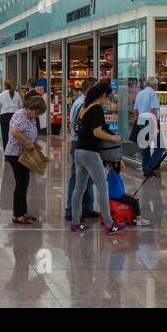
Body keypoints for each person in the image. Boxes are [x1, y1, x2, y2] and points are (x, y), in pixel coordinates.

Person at [70, 81, 122, 235]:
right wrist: (113, 138)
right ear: (104, 95)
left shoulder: (83, 107)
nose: (108, 100)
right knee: (102, 188)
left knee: (79, 188)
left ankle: (75, 222)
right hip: (90, 153)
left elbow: (77, 127)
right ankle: (109, 224)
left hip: (79, 150)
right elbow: (96, 132)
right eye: (108, 97)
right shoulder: (97, 108)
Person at [4, 94, 47, 224]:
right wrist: (27, 143)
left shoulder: (30, 116)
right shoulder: (20, 115)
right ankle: (17, 214)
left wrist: (34, 143)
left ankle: (24, 211)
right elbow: (15, 132)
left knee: (25, 183)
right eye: (37, 112)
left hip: (23, 153)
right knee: (21, 184)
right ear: (31, 108)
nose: (37, 116)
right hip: (16, 154)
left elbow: (30, 131)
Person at [65, 79, 97, 222]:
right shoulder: (82, 105)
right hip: (80, 143)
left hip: (84, 143)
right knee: (77, 178)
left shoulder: (86, 103)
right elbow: (80, 128)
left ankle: (87, 208)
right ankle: (71, 210)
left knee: (87, 178)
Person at [132, 75, 165, 174]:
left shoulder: (140, 93)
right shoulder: (152, 94)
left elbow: (135, 110)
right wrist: (156, 127)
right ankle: (150, 168)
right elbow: (153, 110)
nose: (157, 87)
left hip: (141, 121)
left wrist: (137, 121)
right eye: (157, 85)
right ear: (154, 85)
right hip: (151, 121)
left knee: (145, 146)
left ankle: (145, 169)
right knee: (160, 146)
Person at [105, 158, 145, 225]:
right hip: (117, 196)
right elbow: (119, 191)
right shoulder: (115, 175)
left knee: (131, 199)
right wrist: (126, 194)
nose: (121, 170)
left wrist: (126, 194)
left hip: (114, 195)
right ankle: (139, 219)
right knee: (135, 201)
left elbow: (117, 188)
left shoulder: (111, 173)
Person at [0, 81, 21, 148]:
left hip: (4, 117)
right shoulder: (17, 94)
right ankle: (15, 149)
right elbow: (21, 106)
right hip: (15, 117)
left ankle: (7, 151)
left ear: (4, 86)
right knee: (15, 134)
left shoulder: (1, 95)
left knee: (5, 136)